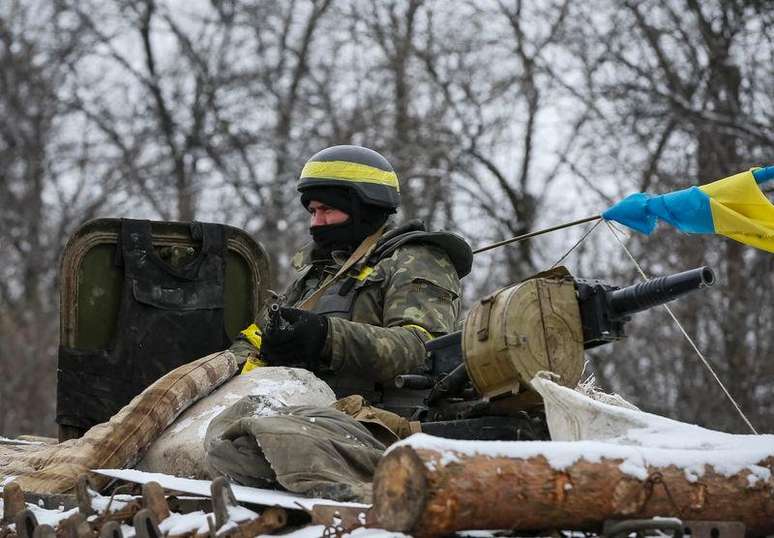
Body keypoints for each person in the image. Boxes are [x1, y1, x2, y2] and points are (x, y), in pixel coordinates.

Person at [205, 145, 472, 502]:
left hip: (376, 422)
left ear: (364, 207)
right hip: (308, 408)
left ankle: (380, 501)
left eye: (327, 210)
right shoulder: (318, 274)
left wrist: (325, 337)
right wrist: (225, 370)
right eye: (312, 211)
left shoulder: (417, 259)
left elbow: (422, 349)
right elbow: (257, 336)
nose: (316, 223)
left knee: (276, 435)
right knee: (228, 436)